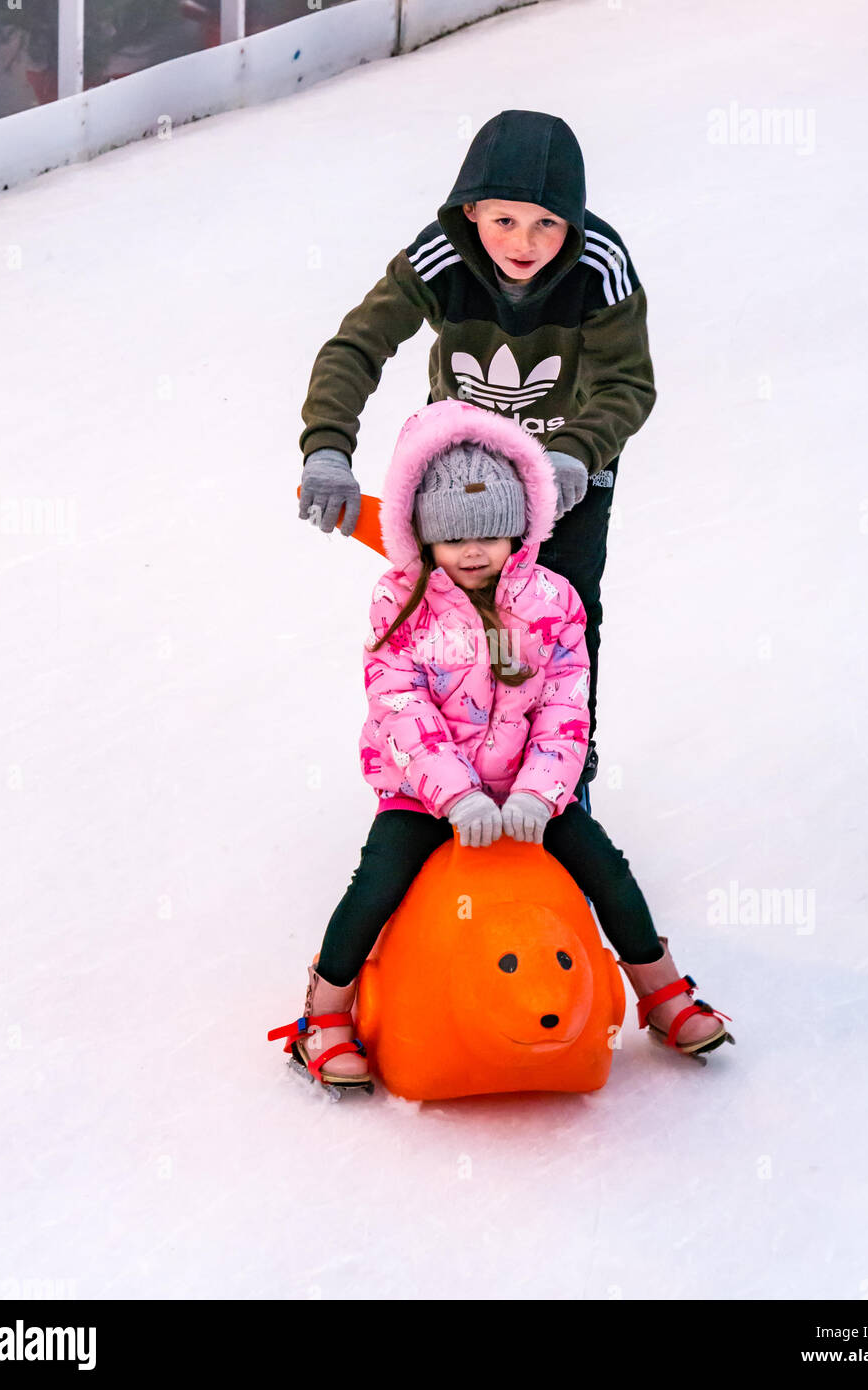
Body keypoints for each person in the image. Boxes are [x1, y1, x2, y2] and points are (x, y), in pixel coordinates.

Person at [268, 402, 732, 1092]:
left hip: (525, 791)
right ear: (422, 534)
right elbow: (401, 707)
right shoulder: (400, 603)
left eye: (491, 533)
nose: (475, 551)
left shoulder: (553, 601)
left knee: (604, 868)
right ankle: (325, 1014)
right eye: (454, 537)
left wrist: (538, 794)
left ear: (521, 525)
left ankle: (660, 992)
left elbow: (565, 706)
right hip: (420, 794)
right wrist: (453, 795)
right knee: (377, 884)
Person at [297, 109, 657, 793]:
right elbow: (357, 347)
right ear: (470, 213)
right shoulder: (439, 256)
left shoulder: (599, 263)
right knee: (448, 612)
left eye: (547, 224)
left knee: (562, 612)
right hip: (464, 470)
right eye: (504, 221)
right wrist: (328, 449)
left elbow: (627, 384)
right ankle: (446, 763)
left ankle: (562, 769)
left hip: (568, 469)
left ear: (572, 225)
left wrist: (578, 454)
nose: (524, 242)